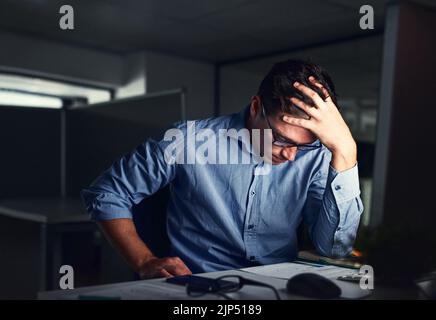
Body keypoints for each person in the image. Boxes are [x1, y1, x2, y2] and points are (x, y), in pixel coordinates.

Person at [82, 59, 363, 279]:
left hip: (276, 287)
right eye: (281, 139)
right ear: (256, 107)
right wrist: (143, 261)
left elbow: (334, 248)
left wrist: (346, 151)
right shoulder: (187, 141)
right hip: (198, 285)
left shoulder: (314, 156)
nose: (291, 156)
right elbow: (106, 193)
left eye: (305, 146)